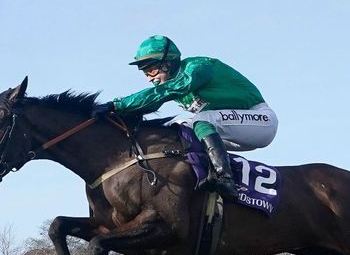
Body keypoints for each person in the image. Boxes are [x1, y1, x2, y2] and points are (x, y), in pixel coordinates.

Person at [92, 35, 277, 201]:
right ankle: (199, 176)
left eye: (151, 71)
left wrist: (117, 104)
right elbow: (154, 102)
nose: (149, 78)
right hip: (232, 128)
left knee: (201, 119)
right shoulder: (174, 82)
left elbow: (164, 92)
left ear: (167, 64)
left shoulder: (197, 67)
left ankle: (225, 179)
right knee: (177, 127)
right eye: (145, 73)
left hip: (260, 120)